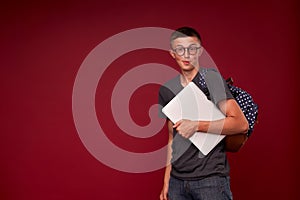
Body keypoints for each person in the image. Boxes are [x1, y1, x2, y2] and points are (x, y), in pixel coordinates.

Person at [158, 27, 248, 200]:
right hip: (177, 182)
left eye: (192, 49)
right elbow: (172, 138)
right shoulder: (167, 90)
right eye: (180, 49)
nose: (186, 54)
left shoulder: (211, 80)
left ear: (199, 51)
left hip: (211, 179)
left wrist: (197, 125)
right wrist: (166, 181)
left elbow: (240, 123)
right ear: (172, 53)